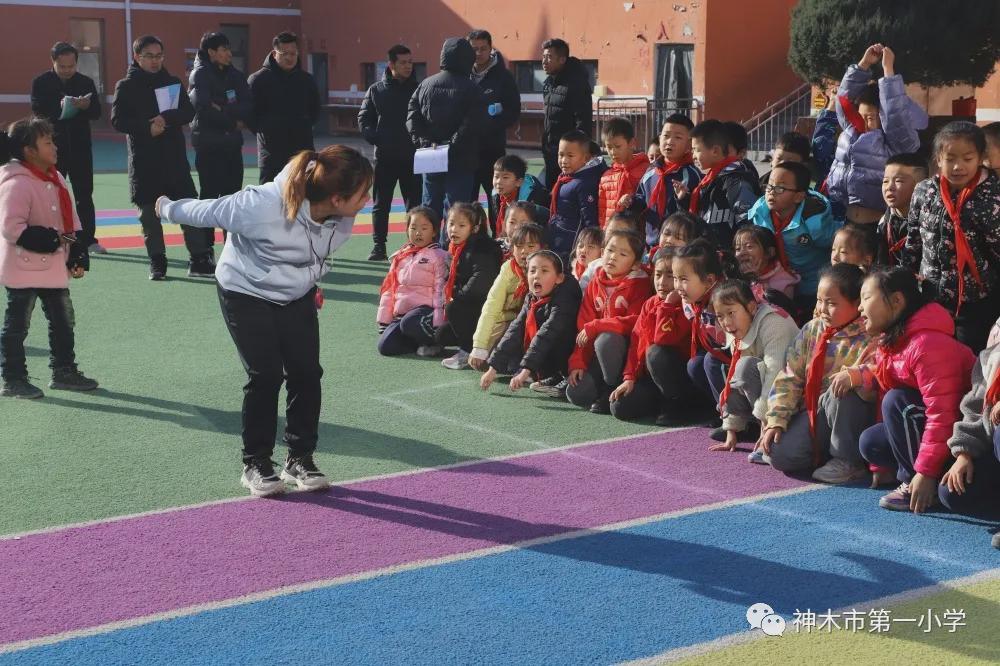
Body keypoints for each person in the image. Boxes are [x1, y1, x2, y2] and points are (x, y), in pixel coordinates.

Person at [156, 145, 373, 497]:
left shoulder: (342, 217)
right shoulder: (261, 206)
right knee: (266, 374)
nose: (368, 200)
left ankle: (299, 458)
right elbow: (208, 211)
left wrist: (308, 282)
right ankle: (255, 462)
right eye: (363, 194)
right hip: (245, 289)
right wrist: (167, 207)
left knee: (306, 372)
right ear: (337, 198)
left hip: (296, 292)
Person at [854, 268, 976, 512]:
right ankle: (919, 476)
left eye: (866, 298)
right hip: (936, 430)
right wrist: (880, 466)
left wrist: (925, 472)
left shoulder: (926, 344)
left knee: (897, 401)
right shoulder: (892, 341)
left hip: (966, 435)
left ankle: (916, 482)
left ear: (896, 301)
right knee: (871, 442)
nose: (859, 307)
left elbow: (944, 414)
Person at [0, 117, 96, 398]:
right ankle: (13, 378)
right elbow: (11, 228)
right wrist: (53, 239)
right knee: (17, 325)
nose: (54, 147)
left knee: (63, 320)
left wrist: (76, 250)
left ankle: (63, 370)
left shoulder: (56, 177)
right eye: (47, 143)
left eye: (53, 141)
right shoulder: (17, 184)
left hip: (52, 266)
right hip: (23, 268)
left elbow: (71, 221)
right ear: (29, 151)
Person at [760, 264, 876, 481]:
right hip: (815, 411)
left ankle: (848, 459)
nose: (822, 309)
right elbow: (790, 376)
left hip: (851, 415)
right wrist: (776, 420)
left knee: (845, 386)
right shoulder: (813, 329)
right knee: (779, 455)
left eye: (831, 303)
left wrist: (857, 375)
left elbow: (882, 372)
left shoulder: (871, 334)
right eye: (819, 300)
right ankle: (824, 452)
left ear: (857, 303)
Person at [111, 35, 213, 280]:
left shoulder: (172, 82)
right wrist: (147, 128)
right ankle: (157, 261)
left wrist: (165, 119)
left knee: (187, 207)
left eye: (159, 56)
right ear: (137, 57)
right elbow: (118, 121)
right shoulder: (125, 86)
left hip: (173, 158)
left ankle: (199, 259)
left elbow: (188, 111)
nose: (155, 61)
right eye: (149, 56)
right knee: (148, 213)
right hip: (144, 159)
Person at [903, 121, 1000, 353]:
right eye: (950, 159)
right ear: (938, 159)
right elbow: (913, 240)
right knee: (932, 354)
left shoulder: (994, 196)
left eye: (967, 158)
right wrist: (906, 279)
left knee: (970, 358)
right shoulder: (924, 191)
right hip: (930, 294)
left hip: (977, 300)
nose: (958, 167)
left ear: (980, 158)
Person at [827, 44, 928, 226]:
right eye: (861, 116)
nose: (865, 122)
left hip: (879, 223)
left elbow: (894, 113)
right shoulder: (852, 129)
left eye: (871, 117)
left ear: (882, 117)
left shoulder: (895, 141)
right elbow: (844, 101)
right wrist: (864, 64)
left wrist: (888, 70)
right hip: (844, 218)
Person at [566, 229, 651, 413]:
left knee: (607, 338)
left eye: (623, 254)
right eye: (610, 250)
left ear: (636, 264)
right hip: (599, 352)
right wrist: (578, 362)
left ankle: (610, 387)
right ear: (602, 252)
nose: (613, 257)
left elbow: (634, 323)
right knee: (576, 393)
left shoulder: (640, 284)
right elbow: (583, 326)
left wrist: (597, 326)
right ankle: (602, 385)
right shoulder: (595, 282)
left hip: (626, 352)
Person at [30, 42, 102, 256]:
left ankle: (88, 240)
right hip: (51, 150)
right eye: (62, 66)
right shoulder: (41, 83)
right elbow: (37, 112)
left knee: (84, 195)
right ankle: (54, 239)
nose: (67, 70)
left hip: (80, 147)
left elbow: (97, 112)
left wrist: (86, 106)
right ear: (53, 62)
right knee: (51, 195)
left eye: (71, 66)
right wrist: (60, 107)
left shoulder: (85, 82)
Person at [710, 279, 799, 451]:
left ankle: (767, 432)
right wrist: (731, 429)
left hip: (793, 397)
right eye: (720, 316)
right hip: (771, 400)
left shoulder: (774, 323)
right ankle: (750, 428)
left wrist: (766, 423)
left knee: (746, 367)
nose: (726, 322)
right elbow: (734, 379)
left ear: (751, 307)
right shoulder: (738, 326)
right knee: (736, 368)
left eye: (731, 313)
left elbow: (775, 375)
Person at [608, 246, 694, 424]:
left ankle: (677, 403)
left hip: (680, 378)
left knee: (656, 352)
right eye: (658, 275)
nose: (662, 282)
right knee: (619, 407)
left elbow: (664, 339)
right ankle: (659, 401)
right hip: (653, 378)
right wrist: (629, 378)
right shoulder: (649, 304)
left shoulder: (687, 305)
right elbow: (636, 341)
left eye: (670, 276)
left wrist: (667, 306)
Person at [481, 250, 582, 394]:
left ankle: (565, 375)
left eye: (544, 271)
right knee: (519, 331)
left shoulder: (566, 298)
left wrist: (524, 371)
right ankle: (554, 376)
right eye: (532, 271)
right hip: (546, 348)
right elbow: (515, 330)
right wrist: (493, 369)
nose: (536, 276)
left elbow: (547, 334)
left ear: (559, 278)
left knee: (555, 335)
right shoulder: (531, 297)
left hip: (573, 352)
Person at [407, 37, 486, 222]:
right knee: (456, 210)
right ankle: (450, 242)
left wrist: (424, 142)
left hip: (431, 154)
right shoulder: (472, 88)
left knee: (429, 206)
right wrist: (453, 144)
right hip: (461, 158)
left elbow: (412, 118)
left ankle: (429, 240)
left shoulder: (425, 84)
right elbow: (474, 123)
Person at [189, 31, 252, 259]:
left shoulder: (236, 75)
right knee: (209, 198)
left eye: (229, 49)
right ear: (211, 52)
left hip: (232, 146)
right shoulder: (200, 75)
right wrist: (232, 121)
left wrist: (222, 108)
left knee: (233, 198)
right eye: (224, 49)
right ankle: (205, 250)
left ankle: (231, 249)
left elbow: (247, 106)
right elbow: (203, 107)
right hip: (209, 146)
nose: (229, 54)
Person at [358, 44, 422, 261]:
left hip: (413, 158)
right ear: (391, 64)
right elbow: (364, 119)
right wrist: (376, 138)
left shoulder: (419, 89)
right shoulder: (376, 90)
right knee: (381, 204)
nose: (408, 66)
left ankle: (415, 245)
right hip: (385, 158)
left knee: (415, 206)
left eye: (410, 62)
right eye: (403, 62)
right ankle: (379, 246)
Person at [750, 160, 839, 305]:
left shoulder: (814, 219)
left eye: (780, 188)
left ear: (798, 196)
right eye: (769, 186)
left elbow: (834, 243)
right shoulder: (759, 214)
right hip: (777, 283)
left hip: (812, 285)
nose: (771, 192)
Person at [940, 325, 1000, 539]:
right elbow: (975, 407)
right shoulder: (993, 349)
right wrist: (964, 453)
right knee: (951, 493)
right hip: (994, 448)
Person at [434, 202, 503, 369]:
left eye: (461, 225)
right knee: (441, 335)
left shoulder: (482, 248)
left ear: (474, 228)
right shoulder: (457, 247)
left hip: (485, 307)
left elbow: (481, 281)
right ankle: (472, 343)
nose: (454, 229)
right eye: (451, 224)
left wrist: (457, 295)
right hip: (472, 304)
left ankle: (468, 351)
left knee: (454, 308)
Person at [248, 32, 321, 185]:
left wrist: (303, 125)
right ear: (274, 54)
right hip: (271, 153)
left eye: (293, 54)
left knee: (305, 193)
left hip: (302, 151)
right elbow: (250, 115)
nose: (289, 58)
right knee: (269, 195)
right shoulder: (258, 80)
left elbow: (315, 110)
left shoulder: (306, 80)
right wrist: (267, 131)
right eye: (284, 53)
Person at [468, 223, 543, 370]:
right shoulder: (508, 269)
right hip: (508, 322)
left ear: (543, 248)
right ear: (512, 249)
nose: (524, 251)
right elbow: (491, 306)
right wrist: (479, 346)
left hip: (535, 325)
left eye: (531, 246)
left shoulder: (548, 269)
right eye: (519, 246)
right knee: (482, 362)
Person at [376, 206, 448, 356]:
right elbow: (390, 289)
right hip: (403, 315)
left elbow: (440, 290)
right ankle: (416, 343)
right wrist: (384, 321)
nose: (418, 233)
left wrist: (438, 321)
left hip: (427, 312)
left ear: (434, 231)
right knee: (385, 347)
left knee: (410, 322)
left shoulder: (439, 256)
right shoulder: (401, 256)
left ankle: (435, 343)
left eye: (424, 228)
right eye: (413, 228)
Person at [681, 119, 760, 250]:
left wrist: (741, 252)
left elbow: (748, 222)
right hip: (711, 252)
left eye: (696, 150)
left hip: (728, 255)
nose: (693, 155)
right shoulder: (710, 179)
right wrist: (684, 199)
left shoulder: (735, 180)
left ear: (715, 151)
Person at [468, 29, 521, 223]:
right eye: (474, 49)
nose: (478, 53)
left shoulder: (503, 76)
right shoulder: (462, 75)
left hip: (493, 151)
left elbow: (513, 110)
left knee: (496, 200)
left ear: (491, 48)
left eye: (483, 48)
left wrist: (490, 124)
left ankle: (497, 236)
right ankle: (471, 238)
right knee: (468, 204)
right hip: (467, 151)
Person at [675, 239, 730, 423]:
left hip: (746, 355)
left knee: (711, 361)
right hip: (719, 350)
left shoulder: (728, 300)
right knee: (695, 364)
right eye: (676, 278)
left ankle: (739, 418)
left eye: (683, 279)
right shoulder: (690, 301)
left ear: (710, 280)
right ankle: (722, 411)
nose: (677, 286)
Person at [630, 115, 701, 247]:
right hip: (652, 244)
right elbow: (642, 200)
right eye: (666, 136)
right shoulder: (651, 172)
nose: (670, 141)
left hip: (679, 246)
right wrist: (631, 201)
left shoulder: (692, 174)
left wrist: (683, 199)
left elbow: (697, 211)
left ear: (689, 144)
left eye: (678, 137)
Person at [548, 130, 607, 263]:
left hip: (571, 244)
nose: (564, 160)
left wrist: (587, 247)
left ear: (586, 158)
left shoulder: (584, 183)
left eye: (570, 156)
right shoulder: (567, 177)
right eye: (561, 155)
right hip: (558, 236)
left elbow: (589, 220)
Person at [540, 38, 593, 188]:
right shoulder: (548, 83)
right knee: (551, 193)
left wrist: (576, 152)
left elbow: (583, 121)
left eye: (549, 57)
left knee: (568, 193)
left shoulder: (576, 83)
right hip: (551, 152)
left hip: (569, 156)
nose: (544, 61)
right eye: (543, 57)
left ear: (562, 59)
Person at [597, 117, 650, 228]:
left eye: (618, 146)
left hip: (636, 233)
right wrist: (604, 232)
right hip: (611, 233)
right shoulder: (606, 177)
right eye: (608, 147)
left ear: (632, 143)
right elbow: (602, 213)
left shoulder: (646, 171)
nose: (613, 152)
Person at [875, 153, 926, 267]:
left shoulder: (929, 221)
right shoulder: (885, 221)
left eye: (899, 181)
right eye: (885, 181)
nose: (889, 187)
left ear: (921, 185)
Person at [733, 225, 800, 301]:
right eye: (738, 249)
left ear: (769, 252)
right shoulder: (735, 277)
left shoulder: (784, 284)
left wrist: (756, 280)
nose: (741, 253)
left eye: (749, 247)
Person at [489, 154, 548, 238]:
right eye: (496, 176)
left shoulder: (533, 198)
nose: (498, 182)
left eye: (505, 177)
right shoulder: (496, 195)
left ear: (519, 182)